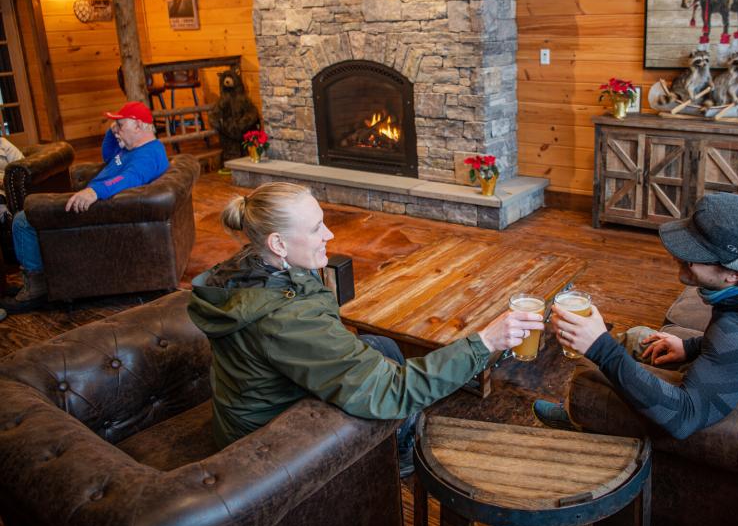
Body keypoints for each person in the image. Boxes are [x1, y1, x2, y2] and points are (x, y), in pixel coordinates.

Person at [188, 181, 544, 475]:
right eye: (315, 229)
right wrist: (483, 343)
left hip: (248, 406)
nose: (329, 234)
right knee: (394, 387)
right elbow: (390, 390)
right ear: (278, 243)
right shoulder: (283, 322)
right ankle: (403, 462)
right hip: (267, 439)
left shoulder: (253, 264)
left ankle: (401, 439)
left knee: (382, 345)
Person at [534, 193, 738, 440]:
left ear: (736, 273)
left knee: (598, 368)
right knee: (638, 338)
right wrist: (689, 347)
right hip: (737, 375)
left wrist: (600, 348)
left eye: (694, 256)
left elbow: (684, 418)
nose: (678, 257)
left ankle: (581, 418)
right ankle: (577, 410)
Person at [4, 101, 169, 311]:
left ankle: (36, 289)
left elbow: (130, 178)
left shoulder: (147, 155)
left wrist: (95, 192)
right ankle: (41, 275)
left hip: (96, 209)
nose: (115, 130)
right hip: (94, 203)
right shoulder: (133, 147)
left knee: (22, 220)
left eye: (120, 125)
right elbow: (108, 155)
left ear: (138, 126)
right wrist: (114, 131)